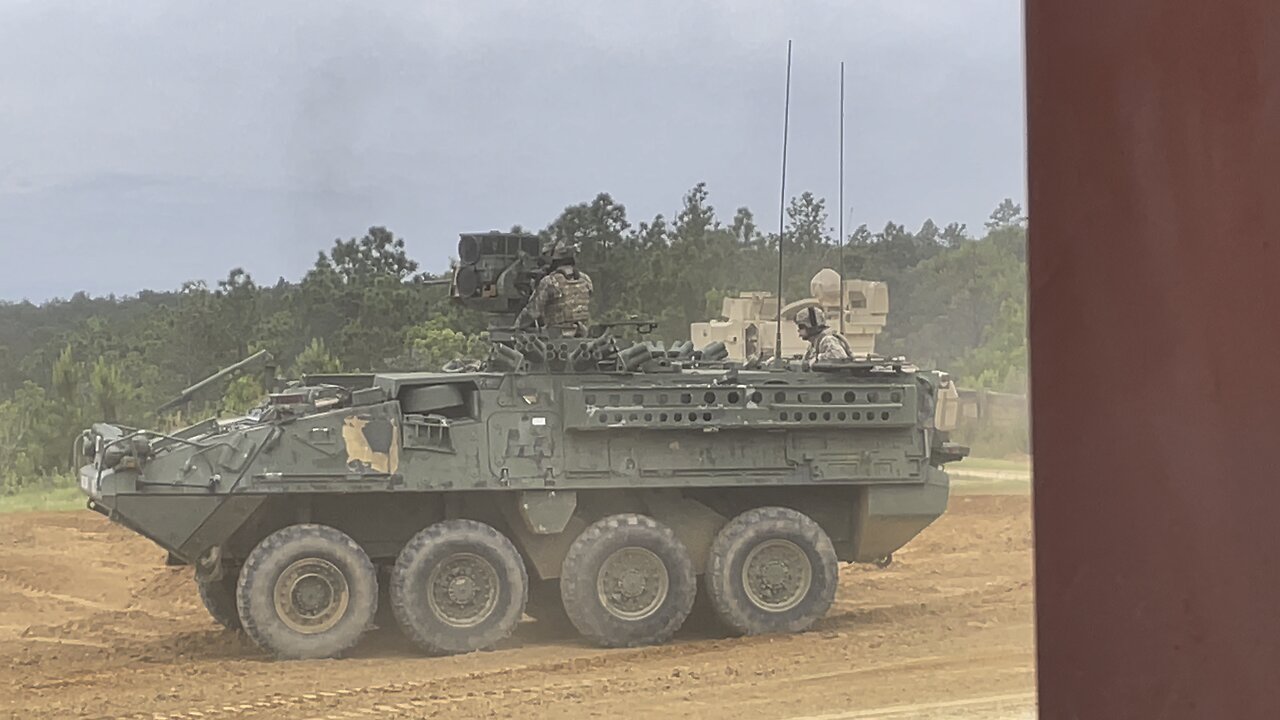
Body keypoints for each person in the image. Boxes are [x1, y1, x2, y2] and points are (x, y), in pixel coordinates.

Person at [516, 238, 593, 337]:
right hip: (582, 335)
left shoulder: (549, 281)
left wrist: (517, 327)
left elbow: (532, 312)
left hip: (556, 336)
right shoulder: (586, 279)